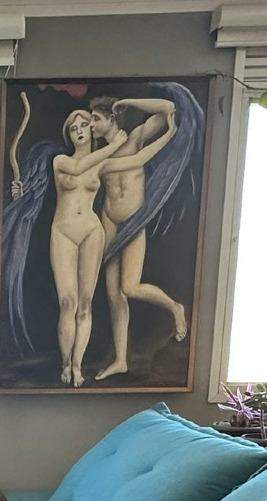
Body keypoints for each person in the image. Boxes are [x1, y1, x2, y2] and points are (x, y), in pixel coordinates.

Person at [88, 96, 188, 380]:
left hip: (133, 221)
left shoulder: (135, 138)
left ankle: (175, 307)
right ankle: (121, 360)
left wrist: (127, 101)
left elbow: (168, 108)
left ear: (111, 119)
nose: (91, 125)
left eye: (96, 119)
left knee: (130, 287)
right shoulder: (100, 155)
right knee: (113, 295)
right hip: (109, 219)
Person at [48, 110, 127, 386]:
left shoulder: (102, 163)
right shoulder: (61, 161)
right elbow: (79, 168)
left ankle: (77, 365)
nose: (80, 130)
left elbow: (137, 161)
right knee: (67, 302)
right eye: (74, 128)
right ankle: (65, 362)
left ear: (92, 129)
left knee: (84, 303)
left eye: (84, 125)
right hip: (63, 232)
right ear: (69, 134)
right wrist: (115, 145)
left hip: (92, 231)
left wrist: (168, 132)